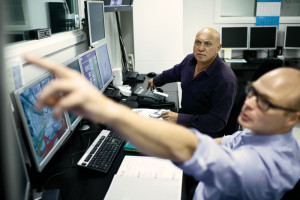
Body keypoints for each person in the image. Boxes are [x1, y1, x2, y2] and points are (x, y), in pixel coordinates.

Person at [25, 54, 300, 200]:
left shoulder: (268, 166)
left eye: (265, 102)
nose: (250, 104)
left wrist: (106, 109)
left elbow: (195, 147)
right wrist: (155, 138)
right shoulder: (262, 135)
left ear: (293, 118)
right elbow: (210, 145)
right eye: (253, 92)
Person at [148, 27, 237, 137]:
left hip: (205, 136)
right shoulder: (190, 60)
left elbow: (217, 122)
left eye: (207, 44)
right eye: (197, 42)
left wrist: (179, 118)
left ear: (218, 47)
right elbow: (175, 72)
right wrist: (156, 80)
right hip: (184, 125)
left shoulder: (225, 80)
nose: (201, 48)